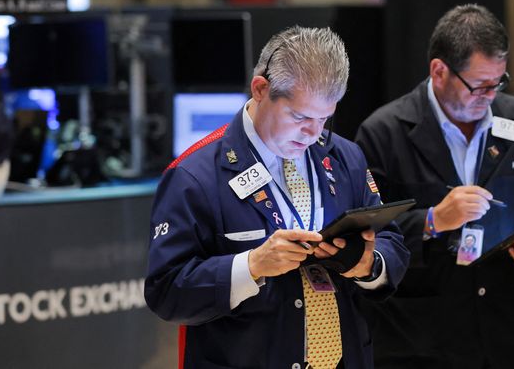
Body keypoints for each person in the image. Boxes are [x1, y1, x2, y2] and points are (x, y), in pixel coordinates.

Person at [145, 27, 410, 369]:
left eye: (324, 118)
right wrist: (251, 265)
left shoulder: (346, 157)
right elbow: (166, 292)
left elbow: (392, 240)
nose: (313, 133)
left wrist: (369, 265)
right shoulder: (194, 175)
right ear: (260, 89)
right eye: (299, 117)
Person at [355, 4, 514, 369]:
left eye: (499, 83)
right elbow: (365, 238)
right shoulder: (383, 133)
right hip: (420, 342)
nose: (490, 96)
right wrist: (432, 221)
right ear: (439, 71)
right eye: (480, 85)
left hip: (512, 338)